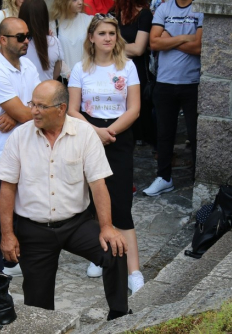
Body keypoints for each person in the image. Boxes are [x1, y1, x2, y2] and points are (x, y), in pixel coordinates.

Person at [0, 80, 130, 320]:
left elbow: (98, 184)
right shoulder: (19, 137)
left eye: (41, 106)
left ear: (61, 108)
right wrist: (7, 235)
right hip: (33, 229)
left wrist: (107, 227)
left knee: (114, 250)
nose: (34, 111)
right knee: (37, 303)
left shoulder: (85, 133)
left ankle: (119, 316)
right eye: (32, 104)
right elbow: (6, 189)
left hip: (76, 223)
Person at [68, 13, 144, 293]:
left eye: (112, 33)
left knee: (121, 203)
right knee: (91, 200)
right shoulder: (80, 69)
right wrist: (95, 133)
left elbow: (134, 108)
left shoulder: (128, 67)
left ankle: (133, 270)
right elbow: (73, 109)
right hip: (88, 135)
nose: (108, 38)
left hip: (119, 136)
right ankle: (100, 256)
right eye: (102, 33)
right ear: (91, 37)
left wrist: (110, 131)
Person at [0, 17, 40, 275]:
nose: (26, 40)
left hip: (26, 149)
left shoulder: (28, 65)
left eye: (28, 35)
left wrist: (18, 111)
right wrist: (24, 111)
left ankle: (12, 260)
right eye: (20, 37)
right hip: (0, 154)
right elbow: (34, 113)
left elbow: (43, 106)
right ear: (3, 40)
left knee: (23, 209)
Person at [142, 0, 202, 196]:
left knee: (195, 134)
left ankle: (199, 179)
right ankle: (164, 177)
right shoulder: (164, 8)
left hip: (191, 82)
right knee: (164, 133)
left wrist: (170, 38)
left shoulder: (200, 8)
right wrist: (185, 37)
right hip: (165, 82)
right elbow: (154, 43)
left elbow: (198, 47)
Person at [113, 0, 155, 148]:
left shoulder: (144, 14)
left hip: (137, 70)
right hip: (115, 69)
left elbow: (138, 49)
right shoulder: (115, 13)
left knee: (137, 107)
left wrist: (112, 45)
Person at [18, 0, 63, 81]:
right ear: (45, 17)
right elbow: (56, 72)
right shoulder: (54, 42)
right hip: (47, 90)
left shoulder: (17, 42)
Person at [49, 0, 92, 80]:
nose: (80, 2)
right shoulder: (54, 25)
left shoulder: (88, 20)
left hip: (87, 75)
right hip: (64, 79)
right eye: (74, 0)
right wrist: (68, 74)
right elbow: (56, 55)